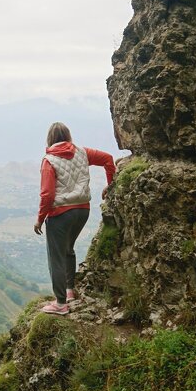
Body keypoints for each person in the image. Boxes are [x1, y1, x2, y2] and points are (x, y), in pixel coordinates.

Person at [34, 122, 115, 315]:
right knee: (68, 249)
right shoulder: (83, 152)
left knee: (56, 257)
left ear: (50, 139)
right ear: (68, 136)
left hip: (60, 214)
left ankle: (60, 303)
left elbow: (47, 194)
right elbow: (108, 159)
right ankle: (69, 291)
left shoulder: (49, 161)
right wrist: (110, 184)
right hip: (82, 211)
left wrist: (40, 218)